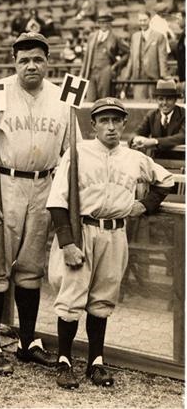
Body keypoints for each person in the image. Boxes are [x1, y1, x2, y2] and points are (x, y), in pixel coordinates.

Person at [0, 32, 73, 375]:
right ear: (14, 62)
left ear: (47, 62)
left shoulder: (63, 96)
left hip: (43, 185)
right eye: (24, 59)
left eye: (37, 59)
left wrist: (62, 197)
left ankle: (26, 343)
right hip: (3, 185)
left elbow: (71, 153)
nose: (31, 65)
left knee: (30, 270)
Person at [47, 97, 173, 389]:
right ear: (93, 125)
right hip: (82, 231)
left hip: (115, 233)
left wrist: (146, 204)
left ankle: (96, 362)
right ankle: (64, 361)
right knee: (71, 298)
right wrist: (67, 243)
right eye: (104, 120)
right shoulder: (77, 153)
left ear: (124, 123)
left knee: (102, 300)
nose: (111, 126)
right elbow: (57, 201)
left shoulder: (133, 157)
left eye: (117, 120)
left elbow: (165, 181)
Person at [81, 10, 129, 102]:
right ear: (98, 23)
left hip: (105, 71)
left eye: (106, 22)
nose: (104, 24)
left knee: (104, 100)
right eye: (101, 22)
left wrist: (116, 65)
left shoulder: (115, 37)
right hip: (91, 72)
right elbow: (86, 56)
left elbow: (128, 52)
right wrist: (82, 73)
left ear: (109, 23)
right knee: (90, 100)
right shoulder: (92, 36)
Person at [131, 79, 185, 160]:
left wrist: (155, 141)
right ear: (156, 100)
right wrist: (136, 139)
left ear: (175, 100)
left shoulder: (183, 114)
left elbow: (183, 136)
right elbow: (136, 133)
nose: (164, 103)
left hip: (180, 163)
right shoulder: (152, 115)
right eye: (161, 99)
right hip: (156, 162)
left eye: (169, 99)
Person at [125, 10, 169, 100]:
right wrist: (127, 76)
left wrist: (163, 76)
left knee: (153, 105)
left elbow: (162, 58)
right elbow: (131, 59)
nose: (142, 23)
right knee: (139, 105)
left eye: (144, 20)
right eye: (140, 20)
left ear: (149, 20)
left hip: (153, 78)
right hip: (138, 78)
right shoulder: (135, 36)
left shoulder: (159, 36)